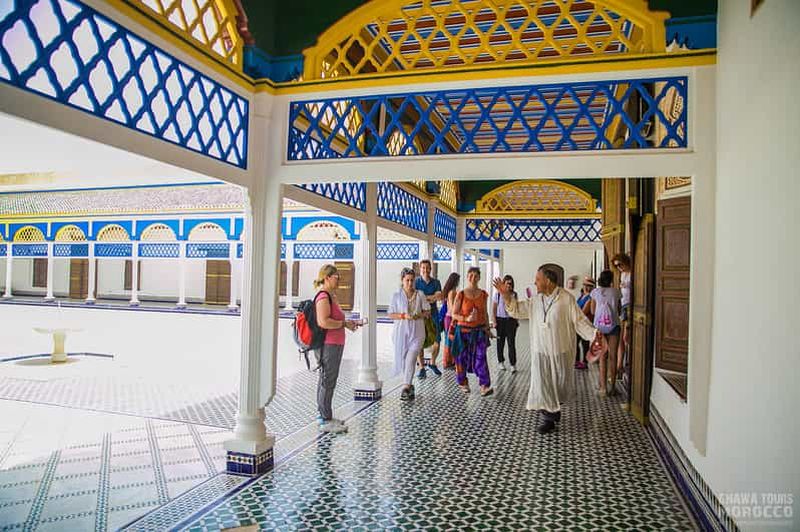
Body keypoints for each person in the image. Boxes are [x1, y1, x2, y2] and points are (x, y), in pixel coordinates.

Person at [494, 266, 602, 434]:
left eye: (537, 279)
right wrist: (505, 295)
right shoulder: (536, 300)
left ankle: (553, 411)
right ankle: (549, 418)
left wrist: (594, 334)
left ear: (548, 281)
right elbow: (517, 310)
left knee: (557, 386)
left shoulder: (566, 299)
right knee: (543, 385)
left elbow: (579, 320)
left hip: (560, 351)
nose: (535, 282)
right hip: (540, 351)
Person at [313, 264, 359, 434]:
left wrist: (347, 325)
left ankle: (326, 415)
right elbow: (323, 322)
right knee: (327, 380)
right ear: (327, 278)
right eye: (336, 277)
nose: (338, 279)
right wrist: (343, 324)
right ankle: (324, 419)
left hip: (335, 343)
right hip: (328, 344)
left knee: (328, 379)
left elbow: (336, 320)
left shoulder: (332, 296)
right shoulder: (323, 297)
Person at [388, 267, 431, 401]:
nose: (410, 283)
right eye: (407, 280)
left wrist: (419, 315)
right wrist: (403, 315)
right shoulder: (396, 296)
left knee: (411, 359)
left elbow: (427, 312)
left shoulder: (420, 294)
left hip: (417, 332)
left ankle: (405, 387)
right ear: (402, 280)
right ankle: (410, 385)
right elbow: (390, 314)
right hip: (401, 333)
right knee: (404, 360)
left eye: (412, 280)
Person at [451, 267, 493, 396]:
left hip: (479, 331)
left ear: (479, 277)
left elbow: (485, 313)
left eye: (476, 275)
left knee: (481, 357)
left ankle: (484, 385)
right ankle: (463, 382)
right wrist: (466, 318)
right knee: (461, 358)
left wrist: (488, 329)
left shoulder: (483, 294)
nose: (473, 278)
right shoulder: (461, 294)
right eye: (470, 275)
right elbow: (454, 314)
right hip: (463, 331)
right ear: (467, 277)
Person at [588, 270, 622, 396]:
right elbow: (618, 310)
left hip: (599, 328)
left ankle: (603, 388)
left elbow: (592, 311)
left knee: (602, 357)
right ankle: (613, 387)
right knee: (613, 357)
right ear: (611, 279)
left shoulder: (595, 292)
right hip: (614, 326)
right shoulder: (616, 292)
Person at [415, 260, 442, 378]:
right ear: (420, 269)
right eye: (423, 268)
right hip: (420, 315)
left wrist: (424, 297)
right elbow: (415, 298)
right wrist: (430, 298)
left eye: (427, 268)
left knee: (437, 340)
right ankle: (421, 367)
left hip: (434, 314)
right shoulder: (416, 282)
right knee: (419, 341)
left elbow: (439, 296)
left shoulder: (436, 282)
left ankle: (432, 362)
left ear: (431, 269)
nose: (425, 270)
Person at [491, 275, 519, 373]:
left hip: (511, 321)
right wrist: (494, 321)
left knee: (511, 343)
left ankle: (513, 364)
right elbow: (494, 308)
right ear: (503, 284)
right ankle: (501, 361)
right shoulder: (497, 295)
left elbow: (515, 308)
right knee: (500, 342)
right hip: (500, 320)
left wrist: (516, 321)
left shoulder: (513, 294)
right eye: (507, 283)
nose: (508, 285)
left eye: (510, 284)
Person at [612, 253, 632, 377]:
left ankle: (629, 361)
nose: (619, 267)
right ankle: (620, 365)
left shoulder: (633, 273)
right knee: (621, 339)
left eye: (620, 264)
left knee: (626, 337)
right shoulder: (623, 274)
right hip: (623, 305)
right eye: (617, 266)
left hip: (630, 305)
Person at [439, 272, 460, 369]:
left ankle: (450, 361)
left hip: (449, 318)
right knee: (450, 340)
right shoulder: (452, 292)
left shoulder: (451, 291)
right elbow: (451, 307)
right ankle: (447, 362)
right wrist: (457, 317)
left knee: (451, 340)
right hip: (450, 318)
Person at [574, 277, 595, 370]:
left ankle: (584, 362)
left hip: (585, 323)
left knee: (584, 344)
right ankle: (577, 361)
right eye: (585, 285)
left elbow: (583, 312)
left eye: (589, 286)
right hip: (578, 323)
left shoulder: (590, 298)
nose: (587, 287)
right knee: (576, 342)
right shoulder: (581, 296)